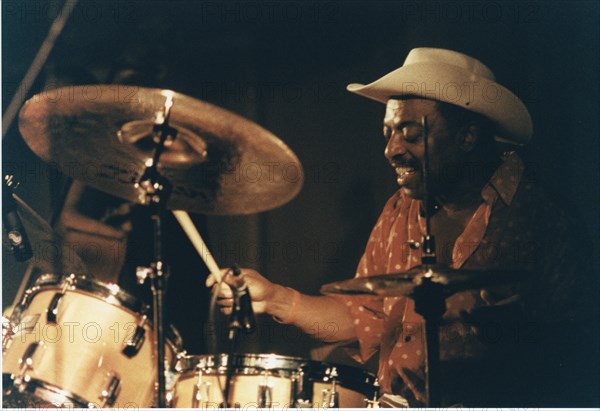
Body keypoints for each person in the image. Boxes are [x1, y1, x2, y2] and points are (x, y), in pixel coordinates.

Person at [206, 48, 597, 406]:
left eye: (411, 133)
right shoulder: (399, 210)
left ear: (467, 136)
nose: (391, 149)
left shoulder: (541, 216)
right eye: (388, 132)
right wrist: (275, 299)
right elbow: (363, 319)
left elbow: (576, 353)